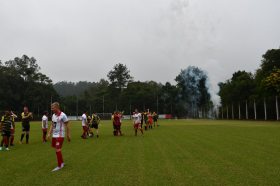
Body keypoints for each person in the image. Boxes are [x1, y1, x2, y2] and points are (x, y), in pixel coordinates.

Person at [47, 102, 70, 172]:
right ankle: (62, 162)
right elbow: (52, 124)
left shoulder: (63, 115)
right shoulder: (53, 115)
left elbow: (67, 125)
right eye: (51, 108)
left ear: (57, 107)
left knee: (57, 149)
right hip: (54, 135)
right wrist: (49, 133)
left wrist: (68, 135)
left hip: (60, 135)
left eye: (53, 108)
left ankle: (59, 166)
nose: (51, 109)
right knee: (57, 149)